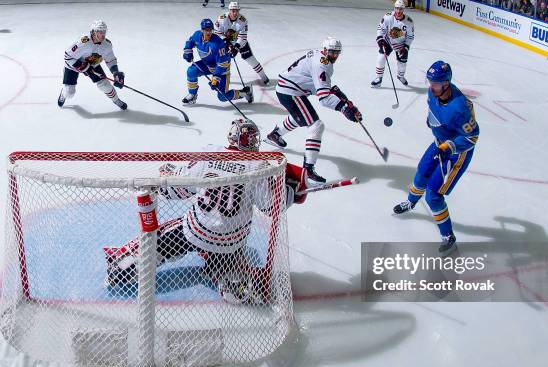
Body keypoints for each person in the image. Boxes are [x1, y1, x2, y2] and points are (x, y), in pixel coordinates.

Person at [103, 119, 308, 304]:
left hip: (195, 230)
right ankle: (232, 283)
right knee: (232, 278)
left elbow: (178, 189)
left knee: (158, 242)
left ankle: (121, 270)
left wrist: (168, 175)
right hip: (230, 241)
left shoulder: (211, 153)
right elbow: (272, 206)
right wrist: (291, 192)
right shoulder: (259, 165)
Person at [393, 61, 479, 255]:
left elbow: (472, 136)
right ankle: (411, 202)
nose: (431, 86)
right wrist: (432, 122)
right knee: (422, 172)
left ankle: (448, 236)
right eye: (430, 82)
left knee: (433, 195)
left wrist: (449, 147)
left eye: (436, 83)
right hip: (439, 142)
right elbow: (434, 110)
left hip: (456, 153)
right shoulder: (433, 92)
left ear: (447, 83)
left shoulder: (460, 107)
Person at [263, 37, 362, 184]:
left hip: (289, 88)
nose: (334, 56)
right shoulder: (322, 64)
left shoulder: (320, 56)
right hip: (290, 92)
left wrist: (342, 100)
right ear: (325, 50)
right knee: (316, 126)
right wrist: (343, 107)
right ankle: (308, 168)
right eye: (332, 52)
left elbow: (315, 84)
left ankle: (275, 135)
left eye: (337, 53)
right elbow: (324, 99)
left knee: (301, 116)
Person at [182, 18, 253, 105]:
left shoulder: (218, 44)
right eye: (206, 30)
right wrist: (187, 51)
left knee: (222, 97)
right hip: (207, 65)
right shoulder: (197, 35)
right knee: (191, 71)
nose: (208, 32)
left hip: (222, 70)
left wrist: (215, 79)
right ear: (202, 30)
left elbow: (223, 64)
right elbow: (190, 41)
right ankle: (192, 94)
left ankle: (245, 92)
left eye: (210, 30)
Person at [58, 20, 126, 109]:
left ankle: (116, 100)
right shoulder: (83, 42)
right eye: (100, 31)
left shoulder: (107, 44)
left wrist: (115, 72)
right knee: (69, 93)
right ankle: (64, 93)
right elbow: (68, 56)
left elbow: (111, 60)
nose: (103, 34)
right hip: (73, 66)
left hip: (92, 65)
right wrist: (84, 67)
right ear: (93, 31)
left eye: (104, 31)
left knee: (105, 85)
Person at [214, 2, 269, 84]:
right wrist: (226, 42)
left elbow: (242, 37)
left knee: (251, 60)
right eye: (233, 10)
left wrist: (236, 48)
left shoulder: (243, 20)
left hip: (240, 43)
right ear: (229, 10)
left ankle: (264, 76)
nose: (235, 13)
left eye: (236, 10)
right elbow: (217, 33)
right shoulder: (221, 19)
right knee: (221, 61)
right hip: (225, 43)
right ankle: (216, 78)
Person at [371, 0, 415, 87]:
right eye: (397, 8)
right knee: (381, 58)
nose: (398, 11)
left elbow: (410, 36)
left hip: (400, 44)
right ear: (394, 8)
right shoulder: (388, 17)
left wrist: (406, 47)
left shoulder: (409, 22)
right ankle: (379, 78)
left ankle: (400, 76)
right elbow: (381, 28)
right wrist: (380, 39)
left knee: (402, 63)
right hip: (388, 41)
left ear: (403, 9)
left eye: (401, 9)